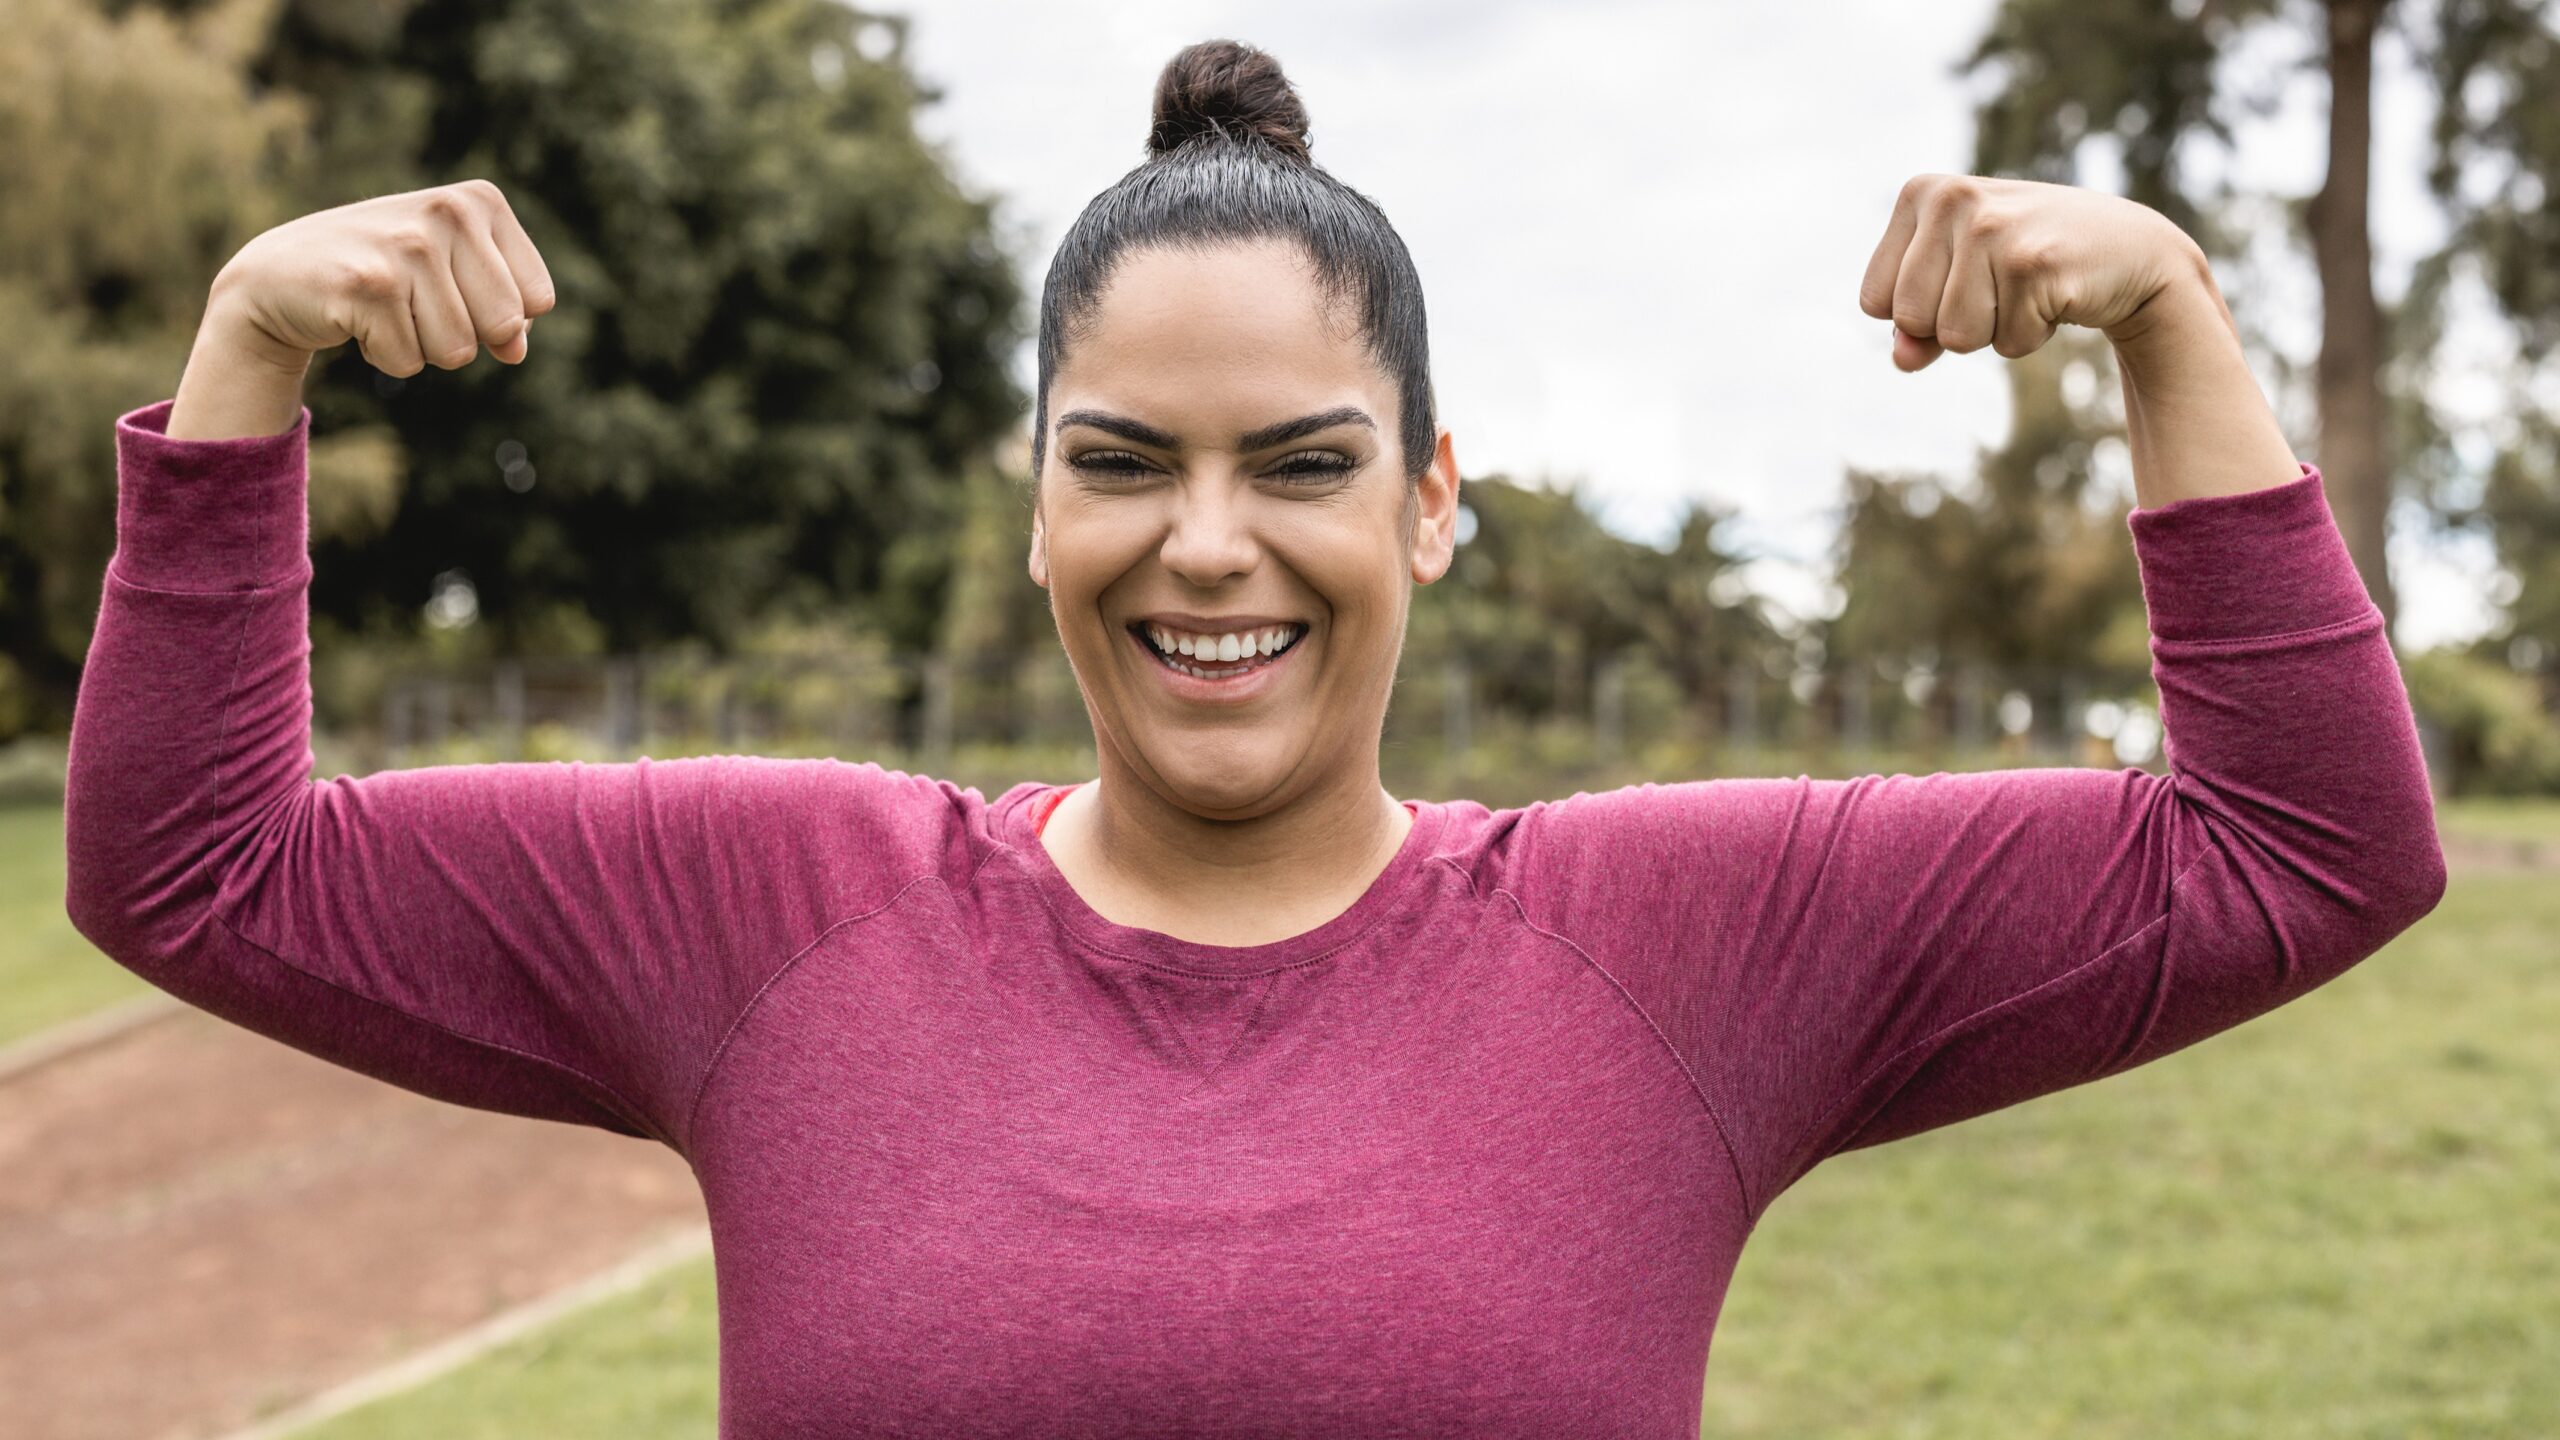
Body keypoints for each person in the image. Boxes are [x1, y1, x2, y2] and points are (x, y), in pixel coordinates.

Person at [65, 37, 2444, 1440]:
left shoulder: (1674, 942)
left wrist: (2162, 314)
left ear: (1429, 506)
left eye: (1301, 463)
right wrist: (252, 348)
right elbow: (202, 873)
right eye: (1120, 461)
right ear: (1034, 509)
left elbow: (2296, 854)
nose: (1205, 545)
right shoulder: (778, 907)